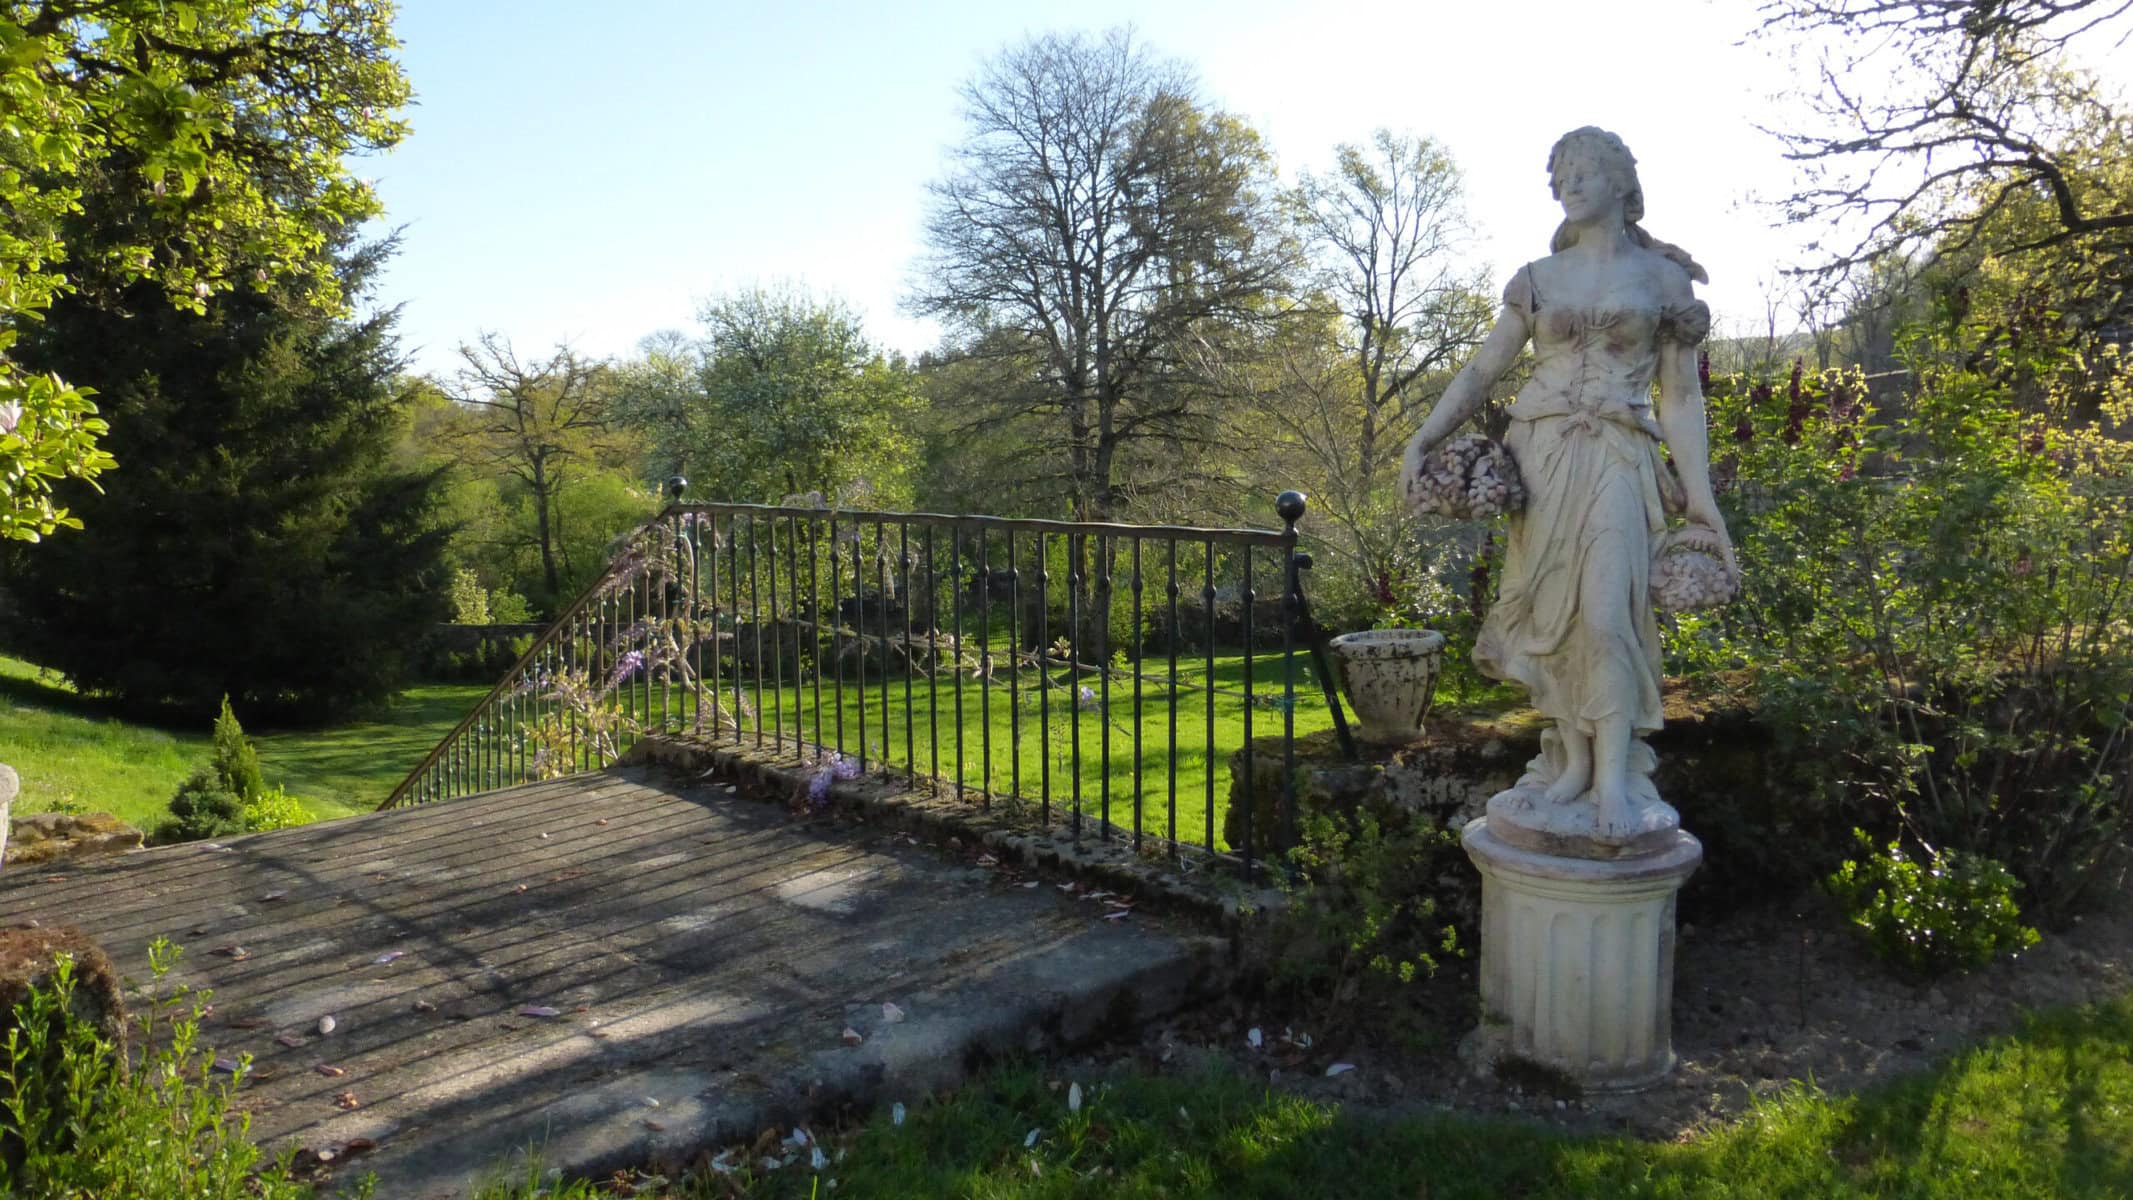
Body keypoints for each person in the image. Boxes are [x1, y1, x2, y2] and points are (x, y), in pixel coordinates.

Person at [1399, 126, 1735, 841]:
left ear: (1621, 182)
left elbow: (1680, 398)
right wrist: (1424, 436)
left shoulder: (1663, 281)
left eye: (1583, 171)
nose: (1569, 186)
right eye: (1559, 177)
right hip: (1541, 456)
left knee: (1609, 614)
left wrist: (1700, 498)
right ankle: (1575, 761)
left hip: (1617, 454)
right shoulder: (1537, 277)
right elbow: (1482, 370)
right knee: (1551, 619)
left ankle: (1612, 775)